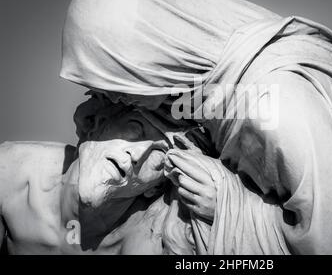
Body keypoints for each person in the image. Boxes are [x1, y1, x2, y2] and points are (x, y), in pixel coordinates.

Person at [60, 0, 332, 254]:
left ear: (158, 55)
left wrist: (228, 204)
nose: (115, 103)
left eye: (119, 88)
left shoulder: (280, 104)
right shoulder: (208, 90)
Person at [0, 93, 218, 254]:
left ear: (156, 187)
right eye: (136, 128)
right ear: (97, 123)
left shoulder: (148, 239)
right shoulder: (12, 170)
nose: (138, 154)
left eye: (159, 153)